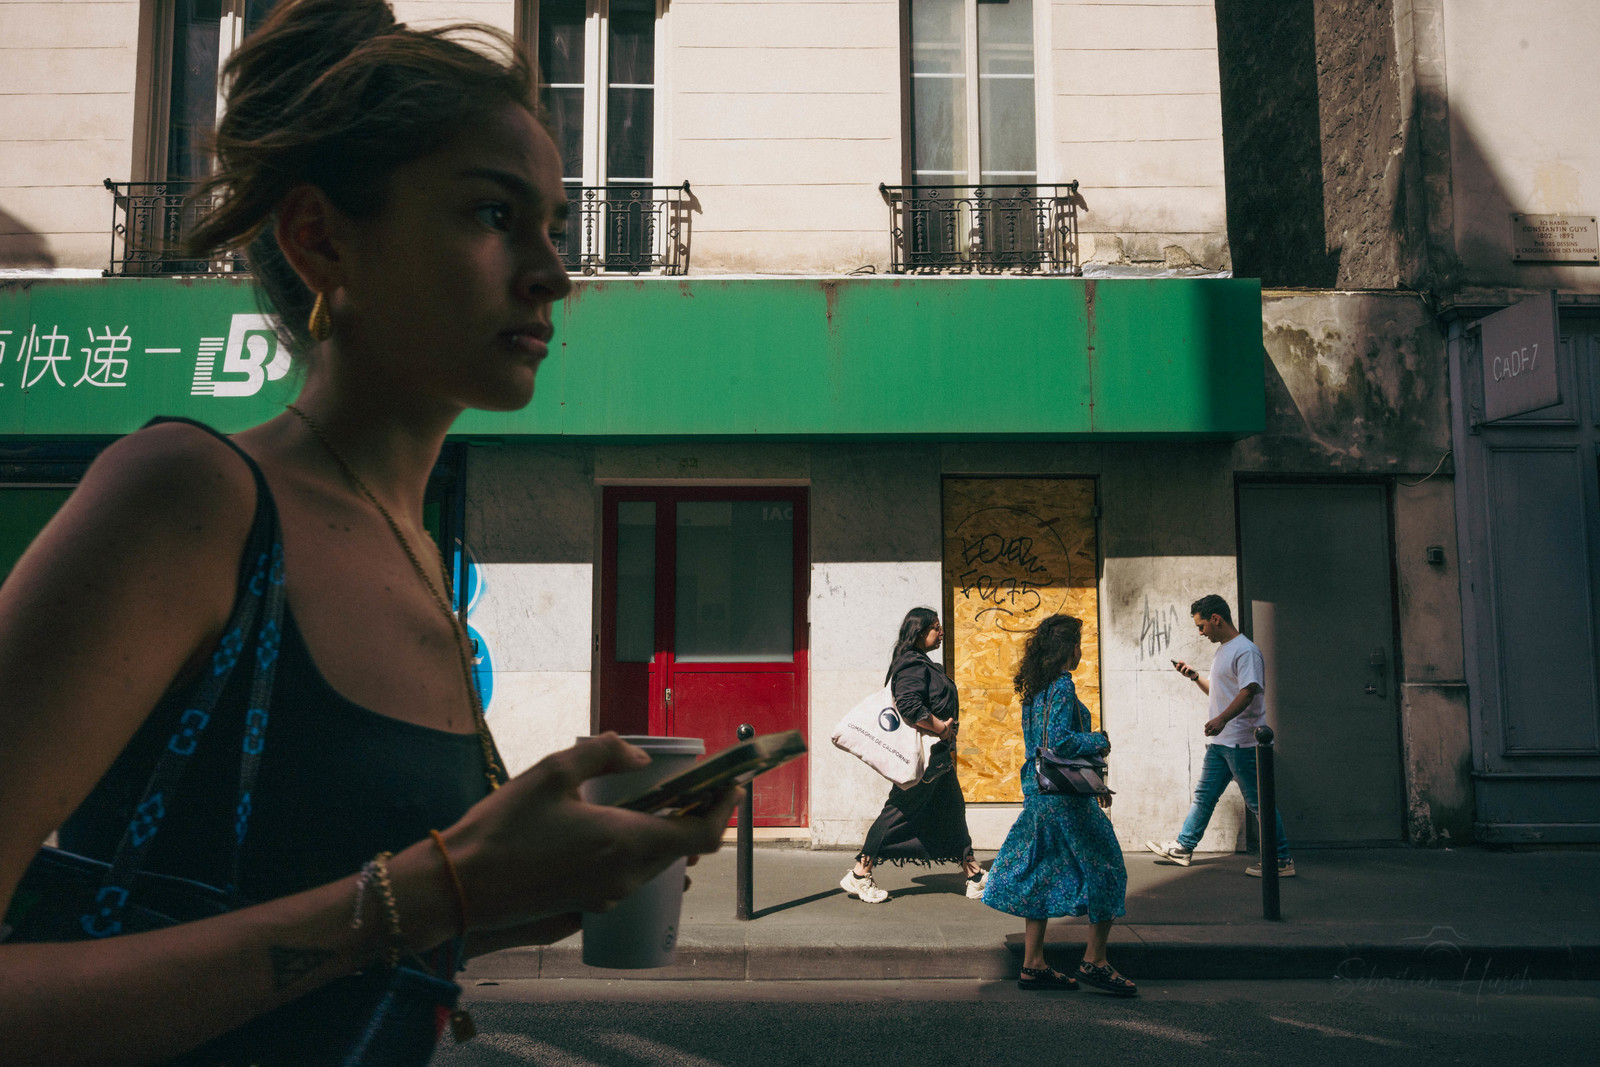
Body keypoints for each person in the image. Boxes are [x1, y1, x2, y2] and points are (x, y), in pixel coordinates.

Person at [0, 3, 738, 1063]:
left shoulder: (417, 551)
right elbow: (373, 907)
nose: (552, 275)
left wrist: (537, 881)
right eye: (493, 215)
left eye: (554, 227)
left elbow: (336, 908)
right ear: (320, 236)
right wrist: (434, 886)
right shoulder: (190, 496)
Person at [983, 614, 1136, 996]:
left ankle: (1033, 965)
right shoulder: (1063, 686)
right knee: (1108, 867)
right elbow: (1062, 743)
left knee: (1041, 873)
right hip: (1066, 803)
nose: (1081, 651)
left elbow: (1041, 750)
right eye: (1079, 643)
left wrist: (1092, 782)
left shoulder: (1035, 690)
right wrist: (1099, 740)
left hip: (1041, 796)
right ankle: (1095, 961)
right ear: (1069, 649)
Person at [839, 608, 987, 904]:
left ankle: (974, 875)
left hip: (939, 757)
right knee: (898, 811)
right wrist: (941, 728)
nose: (941, 632)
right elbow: (909, 705)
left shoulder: (922, 663)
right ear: (919, 633)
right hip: (928, 757)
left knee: (953, 811)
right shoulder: (912, 665)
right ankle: (859, 873)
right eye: (935, 628)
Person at [1145, 594, 1295, 878]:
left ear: (1216, 619)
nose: (1200, 632)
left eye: (1202, 626)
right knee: (1204, 796)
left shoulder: (1245, 650)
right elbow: (1220, 691)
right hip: (1222, 743)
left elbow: (1249, 691)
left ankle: (1281, 860)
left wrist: (1222, 719)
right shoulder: (1224, 650)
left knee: (1259, 803)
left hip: (1243, 742)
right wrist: (1193, 676)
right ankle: (1183, 848)